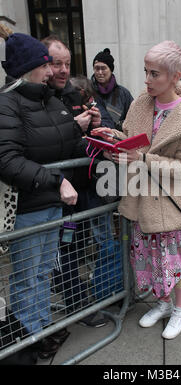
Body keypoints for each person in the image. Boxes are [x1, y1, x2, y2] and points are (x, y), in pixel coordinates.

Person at [91, 40, 181, 339]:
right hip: (141, 197)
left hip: (171, 202)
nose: (146, 79)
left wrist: (144, 158)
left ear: (174, 76)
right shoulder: (141, 104)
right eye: (145, 71)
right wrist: (114, 138)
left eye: (154, 73)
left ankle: (180, 310)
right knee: (149, 257)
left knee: (174, 260)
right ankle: (163, 303)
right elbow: (134, 139)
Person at [0, 25, 87, 358]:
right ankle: (26, 343)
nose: (52, 70)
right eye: (46, 64)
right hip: (29, 208)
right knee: (26, 279)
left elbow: (68, 140)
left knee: (41, 274)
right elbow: (7, 160)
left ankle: (40, 333)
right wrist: (55, 181)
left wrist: (98, 142)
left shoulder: (50, 100)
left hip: (52, 205)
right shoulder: (7, 104)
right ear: (28, 67)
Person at [41, 36, 113, 327]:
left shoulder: (73, 94)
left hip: (81, 193)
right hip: (55, 195)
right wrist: (74, 127)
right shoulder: (35, 98)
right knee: (62, 253)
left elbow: (94, 132)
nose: (62, 70)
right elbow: (43, 145)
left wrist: (97, 125)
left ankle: (78, 301)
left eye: (67, 64)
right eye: (56, 63)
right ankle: (72, 305)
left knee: (77, 247)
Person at [91, 48, 133, 129]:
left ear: (111, 69)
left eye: (103, 68)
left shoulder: (123, 93)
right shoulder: (88, 93)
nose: (100, 72)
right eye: (97, 68)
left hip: (117, 139)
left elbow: (134, 118)